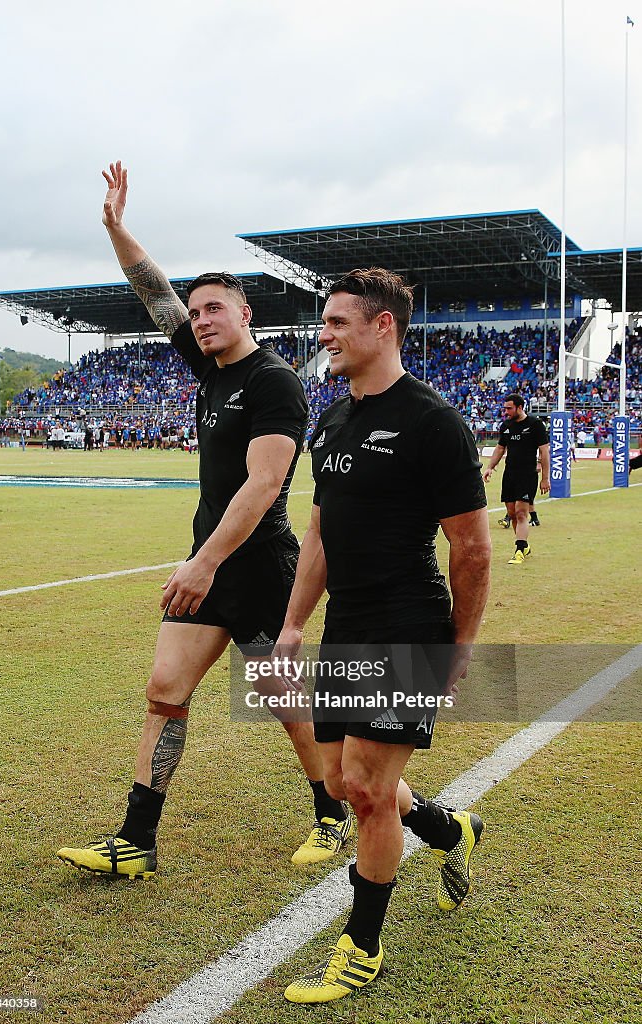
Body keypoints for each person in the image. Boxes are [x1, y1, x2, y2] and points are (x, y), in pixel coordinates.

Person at [56, 161, 353, 881]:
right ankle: (136, 840)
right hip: (209, 565)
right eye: (196, 312)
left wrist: (205, 561)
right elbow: (151, 291)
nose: (201, 318)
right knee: (166, 690)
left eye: (215, 307)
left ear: (244, 313)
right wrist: (116, 227)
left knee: (283, 702)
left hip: (255, 568)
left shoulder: (273, 382)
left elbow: (263, 486)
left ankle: (335, 813)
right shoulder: (209, 368)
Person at [273, 268, 491, 1003]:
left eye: (336, 323)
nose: (324, 335)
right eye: (324, 323)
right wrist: (295, 622)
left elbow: (471, 547)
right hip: (347, 626)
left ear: (381, 326)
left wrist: (456, 646)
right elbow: (319, 531)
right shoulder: (331, 421)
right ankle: (447, 829)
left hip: (406, 622)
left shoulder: (434, 422)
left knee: (365, 792)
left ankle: (359, 950)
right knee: (343, 782)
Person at [483, 395, 549, 564]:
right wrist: (490, 467)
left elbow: (544, 452)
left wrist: (545, 478)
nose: (506, 412)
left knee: (521, 513)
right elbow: (500, 448)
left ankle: (519, 550)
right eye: (505, 408)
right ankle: (524, 545)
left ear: (519, 407)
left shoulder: (535, 425)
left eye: (509, 408)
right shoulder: (506, 426)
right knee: (512, 513)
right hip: (509, 474)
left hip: (527, 474)